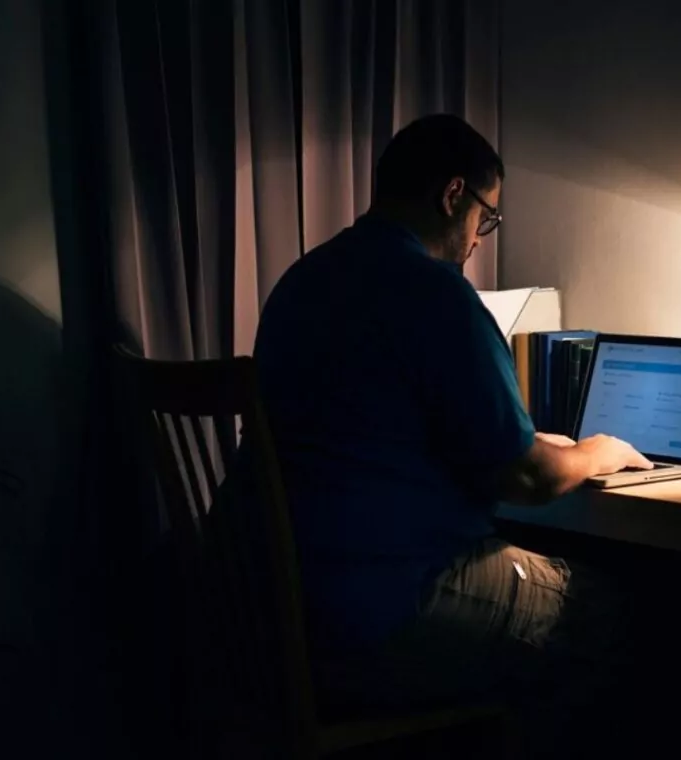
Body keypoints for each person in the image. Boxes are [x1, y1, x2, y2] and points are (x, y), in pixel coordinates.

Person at [250, 114, 653, 754]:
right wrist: (593, 452)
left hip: (279, 606)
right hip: (389, 603)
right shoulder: (434, 293)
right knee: (610, 612)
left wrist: (535, 441)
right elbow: (527, 477)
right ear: (453, 196)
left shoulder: (304, 282)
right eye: (485, 218)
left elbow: (379, 434)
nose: (476, 241)